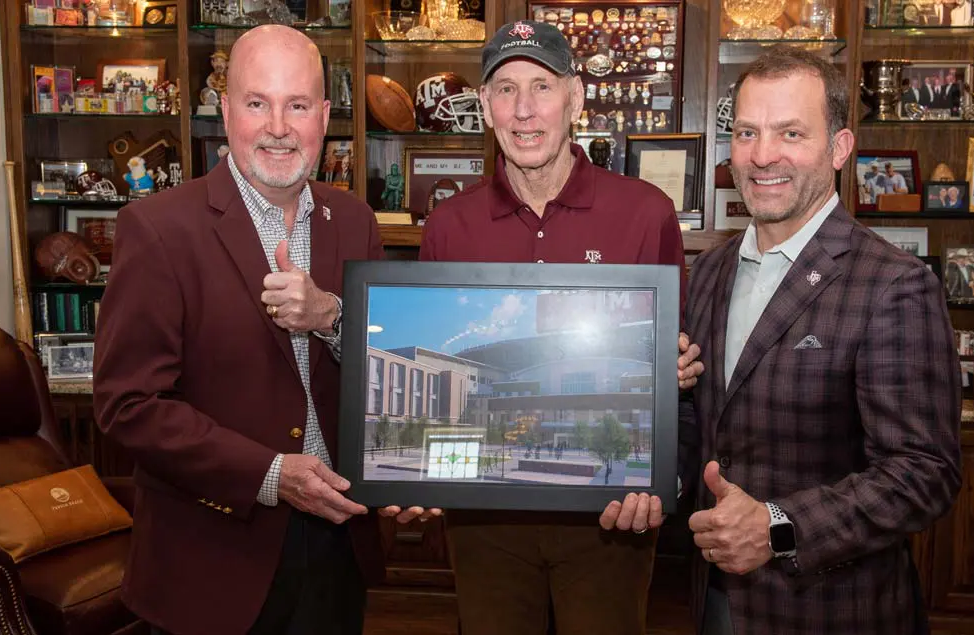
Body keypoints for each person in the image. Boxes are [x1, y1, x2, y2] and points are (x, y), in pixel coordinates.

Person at [92, 25, 432, 635]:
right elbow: (128, 405)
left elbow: (385, 365)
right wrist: (272, 474)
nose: (279, 126)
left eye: (297, 105)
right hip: (214, 554)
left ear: (324, 115)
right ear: (226, 111)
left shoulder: (354, 221)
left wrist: (335, 320)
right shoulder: (158, 228)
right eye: (258, 103)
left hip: (336, 541)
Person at [418, 19, 702, 635]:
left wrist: (665, 474)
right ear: (486, 107)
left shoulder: (645, 212)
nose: (524, 110)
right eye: (505, 88)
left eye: (542, 87)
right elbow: (448, 363)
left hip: (612, 516)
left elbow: (673, 374)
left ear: (575, 98)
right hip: (484, 520)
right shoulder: (448, 224)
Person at [676, 45, 962, 634]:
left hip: (835, 610)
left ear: (838, 149)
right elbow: (703, 427)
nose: (762, 156)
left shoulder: (893, 285)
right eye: (748, 132)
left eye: (790, 133)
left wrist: (777, 525)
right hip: (716, 600)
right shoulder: (707, 273)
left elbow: (923, 472)